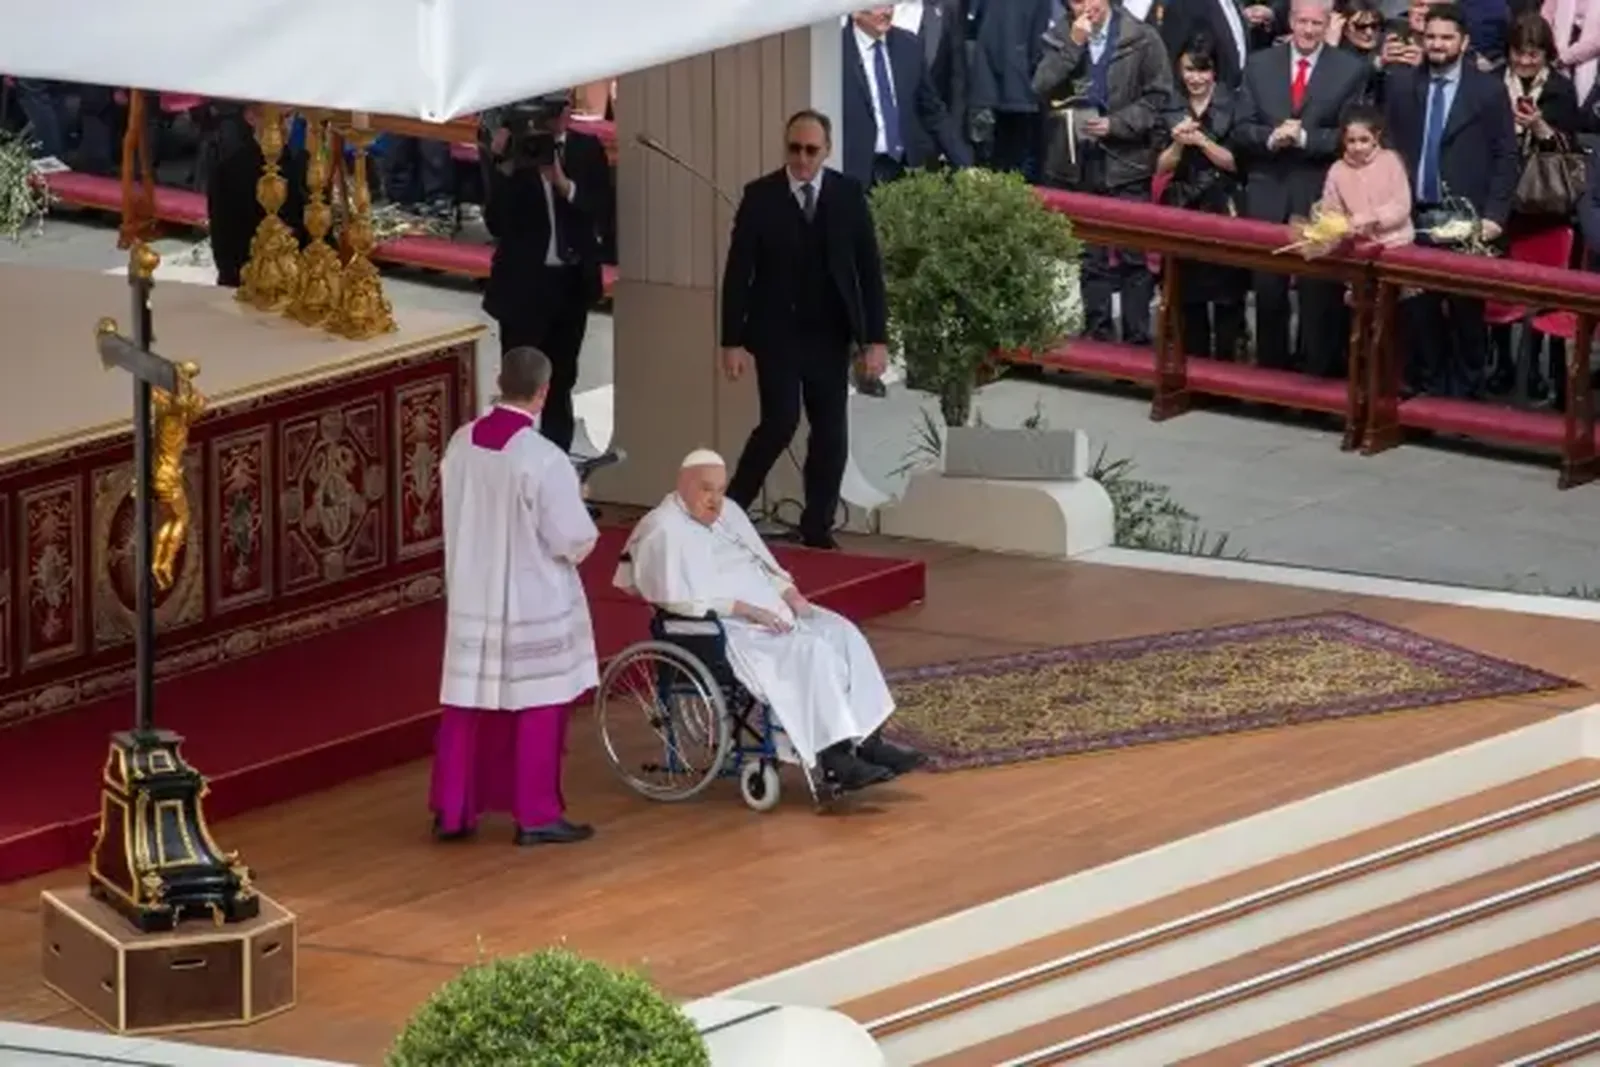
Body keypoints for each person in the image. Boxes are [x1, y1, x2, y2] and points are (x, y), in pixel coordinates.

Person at [616, 449, 925, 792]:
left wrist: (789, 593)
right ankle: (834, 757)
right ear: (683, 485)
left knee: (843, 633)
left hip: (773, 613)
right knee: (812, 652)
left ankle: (870, 739)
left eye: (720, 489)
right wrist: (747, 609)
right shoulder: (664, 528)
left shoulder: (728, 513)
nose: (716, 500)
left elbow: (761, 562)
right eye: (707, 489)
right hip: (726, 628)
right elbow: (675, 597)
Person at [431, 346, 599, 846]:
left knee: (466, 703)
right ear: (544, 392)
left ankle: (453, 810)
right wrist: (581, 505)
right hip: (530, 597)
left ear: (500, 382)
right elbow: (571, 539)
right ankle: (536, 813)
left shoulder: (462, 443)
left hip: (473, 591)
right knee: (539, 703)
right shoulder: (543, 459)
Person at [720, 109, 890, 551]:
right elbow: (738, 273)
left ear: (826, 151)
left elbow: (869, 271)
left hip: (830, 334)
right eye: (794, 148)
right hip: (776, 332)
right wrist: (731, 340)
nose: (801, 158)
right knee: (780, 422)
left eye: (811, 150)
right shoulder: (760, 196)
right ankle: (731, 509)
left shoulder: (848, 195)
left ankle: (818, 525)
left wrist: (876, 338)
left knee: (831, 430)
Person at [1232, 0, 1370, 376]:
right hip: (1267, 187)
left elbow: (1351, 138)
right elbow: (1240, 128)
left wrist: (1307, 138)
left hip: (1317, 190)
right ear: (1290, 22)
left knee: (1317, 293)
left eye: (1317, 24)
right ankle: (1270, 378)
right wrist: (1270, 138)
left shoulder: (1351, 70)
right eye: (1303, 22)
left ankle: (1315, 378)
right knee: (1268, 290)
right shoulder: (1260, 65)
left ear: (1329, 25)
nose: (1309, 31)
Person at [482, 93, 609, 455]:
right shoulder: (513, 155)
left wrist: (561, 182)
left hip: (570, 285)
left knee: (562, 382)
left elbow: (600, 209)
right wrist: (500, 164)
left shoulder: (586, 149)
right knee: (519, 386)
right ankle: (508, 463)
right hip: (524, 288)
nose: (547, 121)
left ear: (568, 113)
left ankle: (556, 465)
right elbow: (496, 221)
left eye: (555, 111)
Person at [1156, 36, 1249, 361]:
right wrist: (1180, 143)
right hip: (1182, 204)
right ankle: (1191, 368)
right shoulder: (1171, 104)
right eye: (1188, 71)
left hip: (1224, 206)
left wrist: (1202, 141)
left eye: (1202, 70)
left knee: (1227, 297)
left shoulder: (1235, 104)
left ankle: (1227, 367)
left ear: (1214, 72)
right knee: (1187, 297)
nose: (1195, 78)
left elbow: (1236, 161)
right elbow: (1161, 166)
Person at [1318, 105, 1416, 247]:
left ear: (1376, 137)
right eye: (1351, 141)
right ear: (1343, 141)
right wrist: (1342, 227)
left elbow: (1401, 205)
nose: (1358, 147)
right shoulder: (1337, 170)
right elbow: (1330, 210)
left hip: (1397, 244)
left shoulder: (1391, 161)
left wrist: (1372, 218)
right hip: (1357, 247)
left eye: (1364, 140)